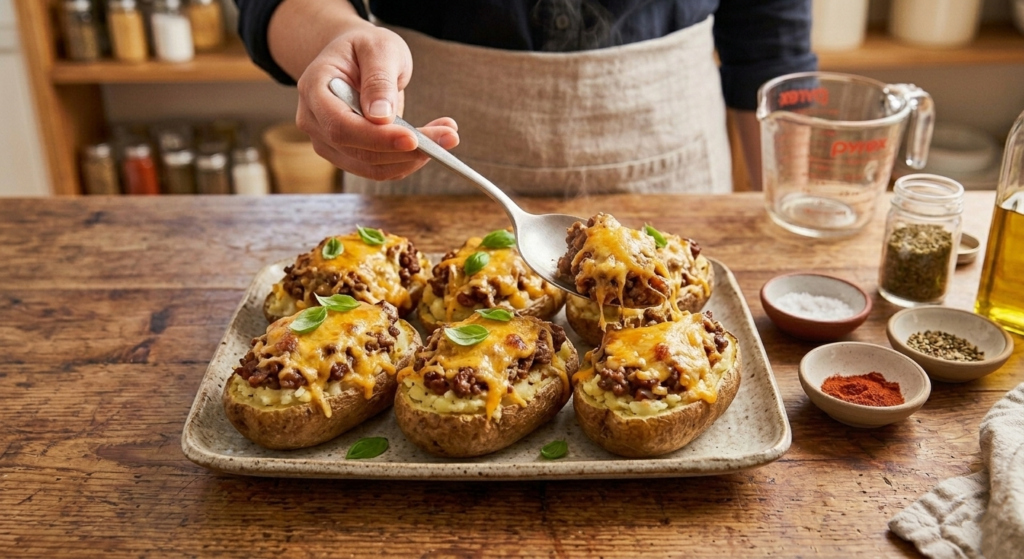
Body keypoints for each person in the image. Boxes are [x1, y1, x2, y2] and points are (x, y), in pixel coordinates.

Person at [236, 0, 816, 195]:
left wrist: (794, 216)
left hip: (671, 140)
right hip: (423, 134)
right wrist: (333, 39)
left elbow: (772, 37)